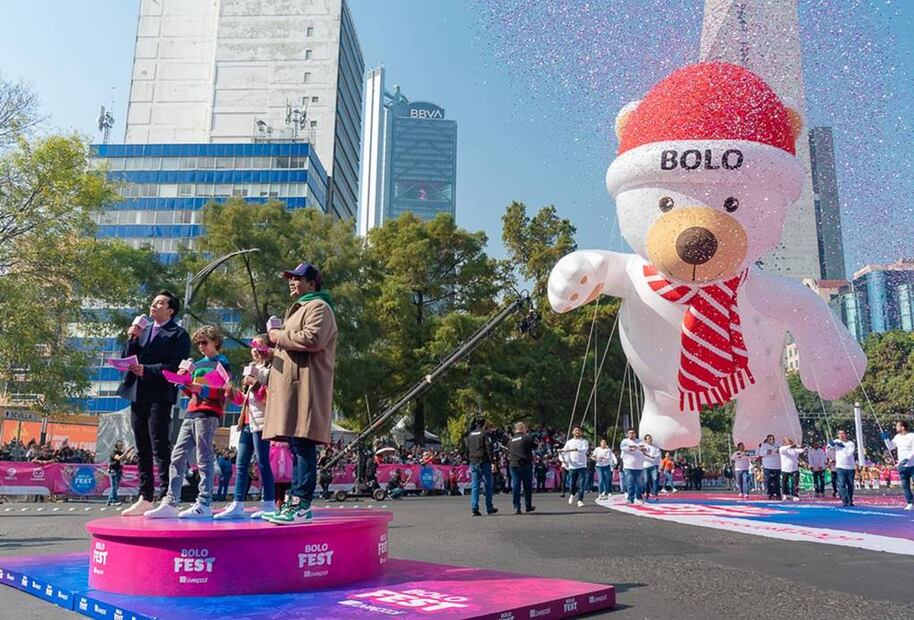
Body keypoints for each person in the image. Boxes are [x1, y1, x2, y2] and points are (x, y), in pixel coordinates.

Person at [260, 262, 338, 525]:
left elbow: (312, 339)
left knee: (303, 445)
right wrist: (272, 353)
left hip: (306, 387)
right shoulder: (302, 307)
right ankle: (293, 503)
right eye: (290, 279)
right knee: (296, 445)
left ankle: (301, 505)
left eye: (297, 278)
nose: (291, 282)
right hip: (294, 388)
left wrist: (277, 335)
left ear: (312, 283)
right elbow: (294, 343)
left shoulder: (319, 307)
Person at [117, 291, 191, 517]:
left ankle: (169, 495)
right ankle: (145, 496)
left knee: (159, 444)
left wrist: (147, 370)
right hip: (137, 392)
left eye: (160, 302)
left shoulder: (178, 334)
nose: (154, 305)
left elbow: (175, 365)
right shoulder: (143, 331)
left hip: (159, 393)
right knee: (142, 447)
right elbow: (125, 356)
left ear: (170, 310)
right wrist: (132, 337)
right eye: (154, 301)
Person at [145, 325, 232, 519]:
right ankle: (171, 501)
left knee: (204, 458)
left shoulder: (222, 362)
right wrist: (182, 382)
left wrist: (201, 389)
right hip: (191, 411)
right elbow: (191, 391)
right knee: (177, 455)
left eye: (205, 342)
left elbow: (224, 391)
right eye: (199, 343)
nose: (201, 346)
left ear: (216, 342)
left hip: (208, 414)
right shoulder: (198, 364)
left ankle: (204, 502)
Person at [215, 336, 277, 519]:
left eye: (260, 347)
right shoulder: (252, 367)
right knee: (241, 464)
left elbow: (271, 398)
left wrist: (255, 383)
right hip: (247, 423)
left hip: (262, 423)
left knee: (262, 463)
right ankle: (237, 503)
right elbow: (244, 400)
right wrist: (230, 392)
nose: (256, 350)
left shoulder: (273, 369)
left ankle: (269, 504)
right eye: (253, 346)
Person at [466, 418, 497, 516]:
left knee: (475, 486)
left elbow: (467, 447)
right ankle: (489, 507)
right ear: (484, 424)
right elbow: (489, 447)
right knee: (488, 484)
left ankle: (474, 508)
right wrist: (493, 462)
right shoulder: (485, 433)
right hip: (484, 461)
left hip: (473, 461)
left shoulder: (470, 434)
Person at [882, 420, 914, 511]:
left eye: (897, 426)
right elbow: (890, 447)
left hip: (912, 464)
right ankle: (910, 503)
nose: (896, 427)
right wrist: (886, 439)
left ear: (903, 427)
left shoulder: (912, 436)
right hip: (902, 466)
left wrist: (908, 458)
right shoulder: (897, 437)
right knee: (905, 485)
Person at [507, 422, 536, 514]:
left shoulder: (511, 440)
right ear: (523, 428)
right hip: (525, 464)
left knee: (516, 486)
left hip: (513, 464)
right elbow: (535, 446)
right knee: (527, 486)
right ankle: (528, 506)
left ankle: (516, 507)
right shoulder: (527, 437)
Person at [560, 427, 589, 508]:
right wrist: (561, 452)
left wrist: (576, 449)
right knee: (572, 483)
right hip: (572, 466)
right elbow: (564, 451)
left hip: (582, 465)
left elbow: (584, 450)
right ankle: (572, 494)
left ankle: (580, 500)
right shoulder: (569, 442)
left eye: (578, 430)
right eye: (575, 430)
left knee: (582, 484)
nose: (577, 432)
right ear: (573, 432)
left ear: (581, 432)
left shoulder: (584, 441)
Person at [830, 429, 857, 507]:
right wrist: (831, 443)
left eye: (843, 433)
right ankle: (845, 500)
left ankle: (850, 499)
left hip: (850, 467)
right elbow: (830, 447)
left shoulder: (850, 443)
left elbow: (849, 454)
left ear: (846, 435)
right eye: (839, 434)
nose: (841, 435)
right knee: (841, 483)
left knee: (850, 484)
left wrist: (843, 447)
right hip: (840, 466)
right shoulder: (836, 441)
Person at [619, 429, 645, 505]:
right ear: (627, 434)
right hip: (628, 466)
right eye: (629, 433)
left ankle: (639, 497)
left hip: (639, 466)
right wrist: (636, 448)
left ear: (635, 434)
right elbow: (626, 449)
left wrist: (636, 448)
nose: (631, 434)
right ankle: (630, 499)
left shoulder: (641, 441)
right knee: (630, 483)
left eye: (633, 433)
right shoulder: (625, 441)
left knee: (639, 484)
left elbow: (644, 449)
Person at [106, 441, 133, 506]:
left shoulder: (121, 452)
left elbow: (128, 460)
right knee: (114, 486)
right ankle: (113, 500)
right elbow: (119, 458)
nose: (121, 446)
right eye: (120, 445)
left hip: (119, 470)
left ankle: (110, 500)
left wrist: (130, 453)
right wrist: (127, 451)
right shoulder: (113, 452)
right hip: (113, 471)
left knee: (115, 487)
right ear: (116, 446)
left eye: (122, 445)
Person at [778, 437, 805, 501]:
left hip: (794, 469)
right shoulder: (782, 449)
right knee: (784, 483)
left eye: (790, 442)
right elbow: (789, 447)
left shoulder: (794, 449)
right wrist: (794, 446)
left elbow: (801, 450)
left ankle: (795, 495)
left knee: (795, 483)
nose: (790, 443)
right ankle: (785, 494)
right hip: (785, 469)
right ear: (784, 443)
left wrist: (802, 446)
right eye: (788, 442)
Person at [758, 434, 782, 500]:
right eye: (770, 439)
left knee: (777, 481)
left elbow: (782, 451)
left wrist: (778, 450)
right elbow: (761, 454)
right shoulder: (764, 445)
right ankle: (769, 494)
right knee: (768, 481)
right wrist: (767, 452)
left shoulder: (778, 445)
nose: (772, 440)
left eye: (773, 439)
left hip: (777, 466)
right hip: (768, 466)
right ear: (767, 439)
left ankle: (778, 494)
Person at [641, 435, 661, 501]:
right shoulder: (644, 446)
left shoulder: (656, 447)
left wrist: (650, 456)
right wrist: (649, 455)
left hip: (654, 466)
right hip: (646, 466)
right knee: (646, 481)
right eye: (648, 439)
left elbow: (658, 456)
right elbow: (642, 452)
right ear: (645, 440)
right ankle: (647, 493)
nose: (649, 439)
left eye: (650, 438)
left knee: (655, 479)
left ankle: (655, 494)